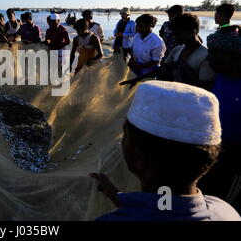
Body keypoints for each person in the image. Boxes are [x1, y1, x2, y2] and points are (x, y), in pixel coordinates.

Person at [91, 81, 241, 221]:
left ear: (138, 159)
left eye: (125, 136)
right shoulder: (225, 211)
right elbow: (166, 208)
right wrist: (119, 198)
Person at [199, 30, 241, 212]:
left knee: (223, 205)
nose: (208, 59)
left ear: (233, 56)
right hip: (213, 155)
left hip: (234, 165)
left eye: (214, 53)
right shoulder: (220, 77)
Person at [120, 13, 214, 89]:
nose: (175, 38)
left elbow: (205, 88)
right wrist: (138, 79)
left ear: (192, 32)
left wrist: (186, 69)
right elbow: (162, 70)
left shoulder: (205, 56)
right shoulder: (177, 50)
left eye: (178, 34)